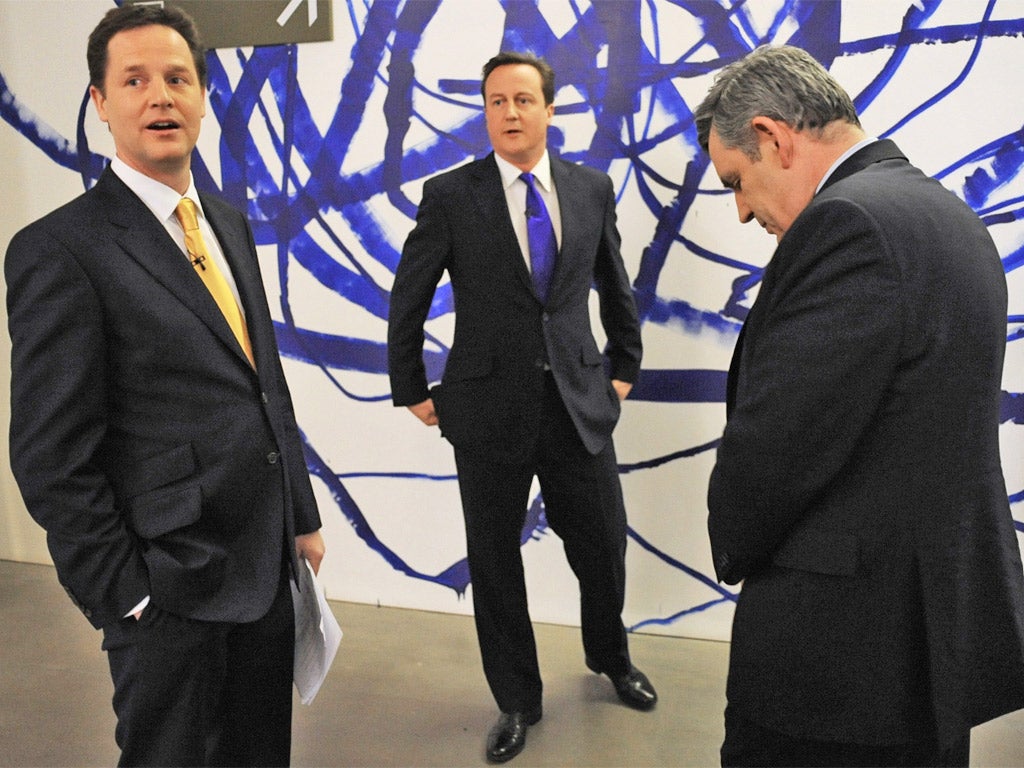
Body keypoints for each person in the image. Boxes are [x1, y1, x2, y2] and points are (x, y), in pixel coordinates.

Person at [5, 5, 324, 766]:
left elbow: (263, 386)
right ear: (100, 102)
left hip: (266, 567)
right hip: (169, 589)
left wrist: (301, 520)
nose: (161, 97)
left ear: (204, 96)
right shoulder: (61, 251)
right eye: (135, 80)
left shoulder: (226, 222)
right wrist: (128, 595)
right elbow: (49, 457)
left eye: (178, 78)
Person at [697, 44, 1024, 767]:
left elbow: (780, 447)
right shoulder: (946, 214)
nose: (744, 211)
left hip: (839, 660)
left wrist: (733, 536)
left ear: (774, 138)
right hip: (923, 642)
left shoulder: (846, 226)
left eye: (737, 181)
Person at [387, 51, 655, 763]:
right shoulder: (450, 195)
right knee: (496, 563)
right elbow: (409, 293)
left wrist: (623, 368)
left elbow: (615, 285)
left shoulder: (592, 189)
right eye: (496, 101)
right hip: (484, 409)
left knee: (602, 548)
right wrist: (410, 385)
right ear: (485, 112)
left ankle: (611, 656)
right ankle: (516, 699)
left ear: (549, 110)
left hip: (577, 404)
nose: (509, 112)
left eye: (523, 100)